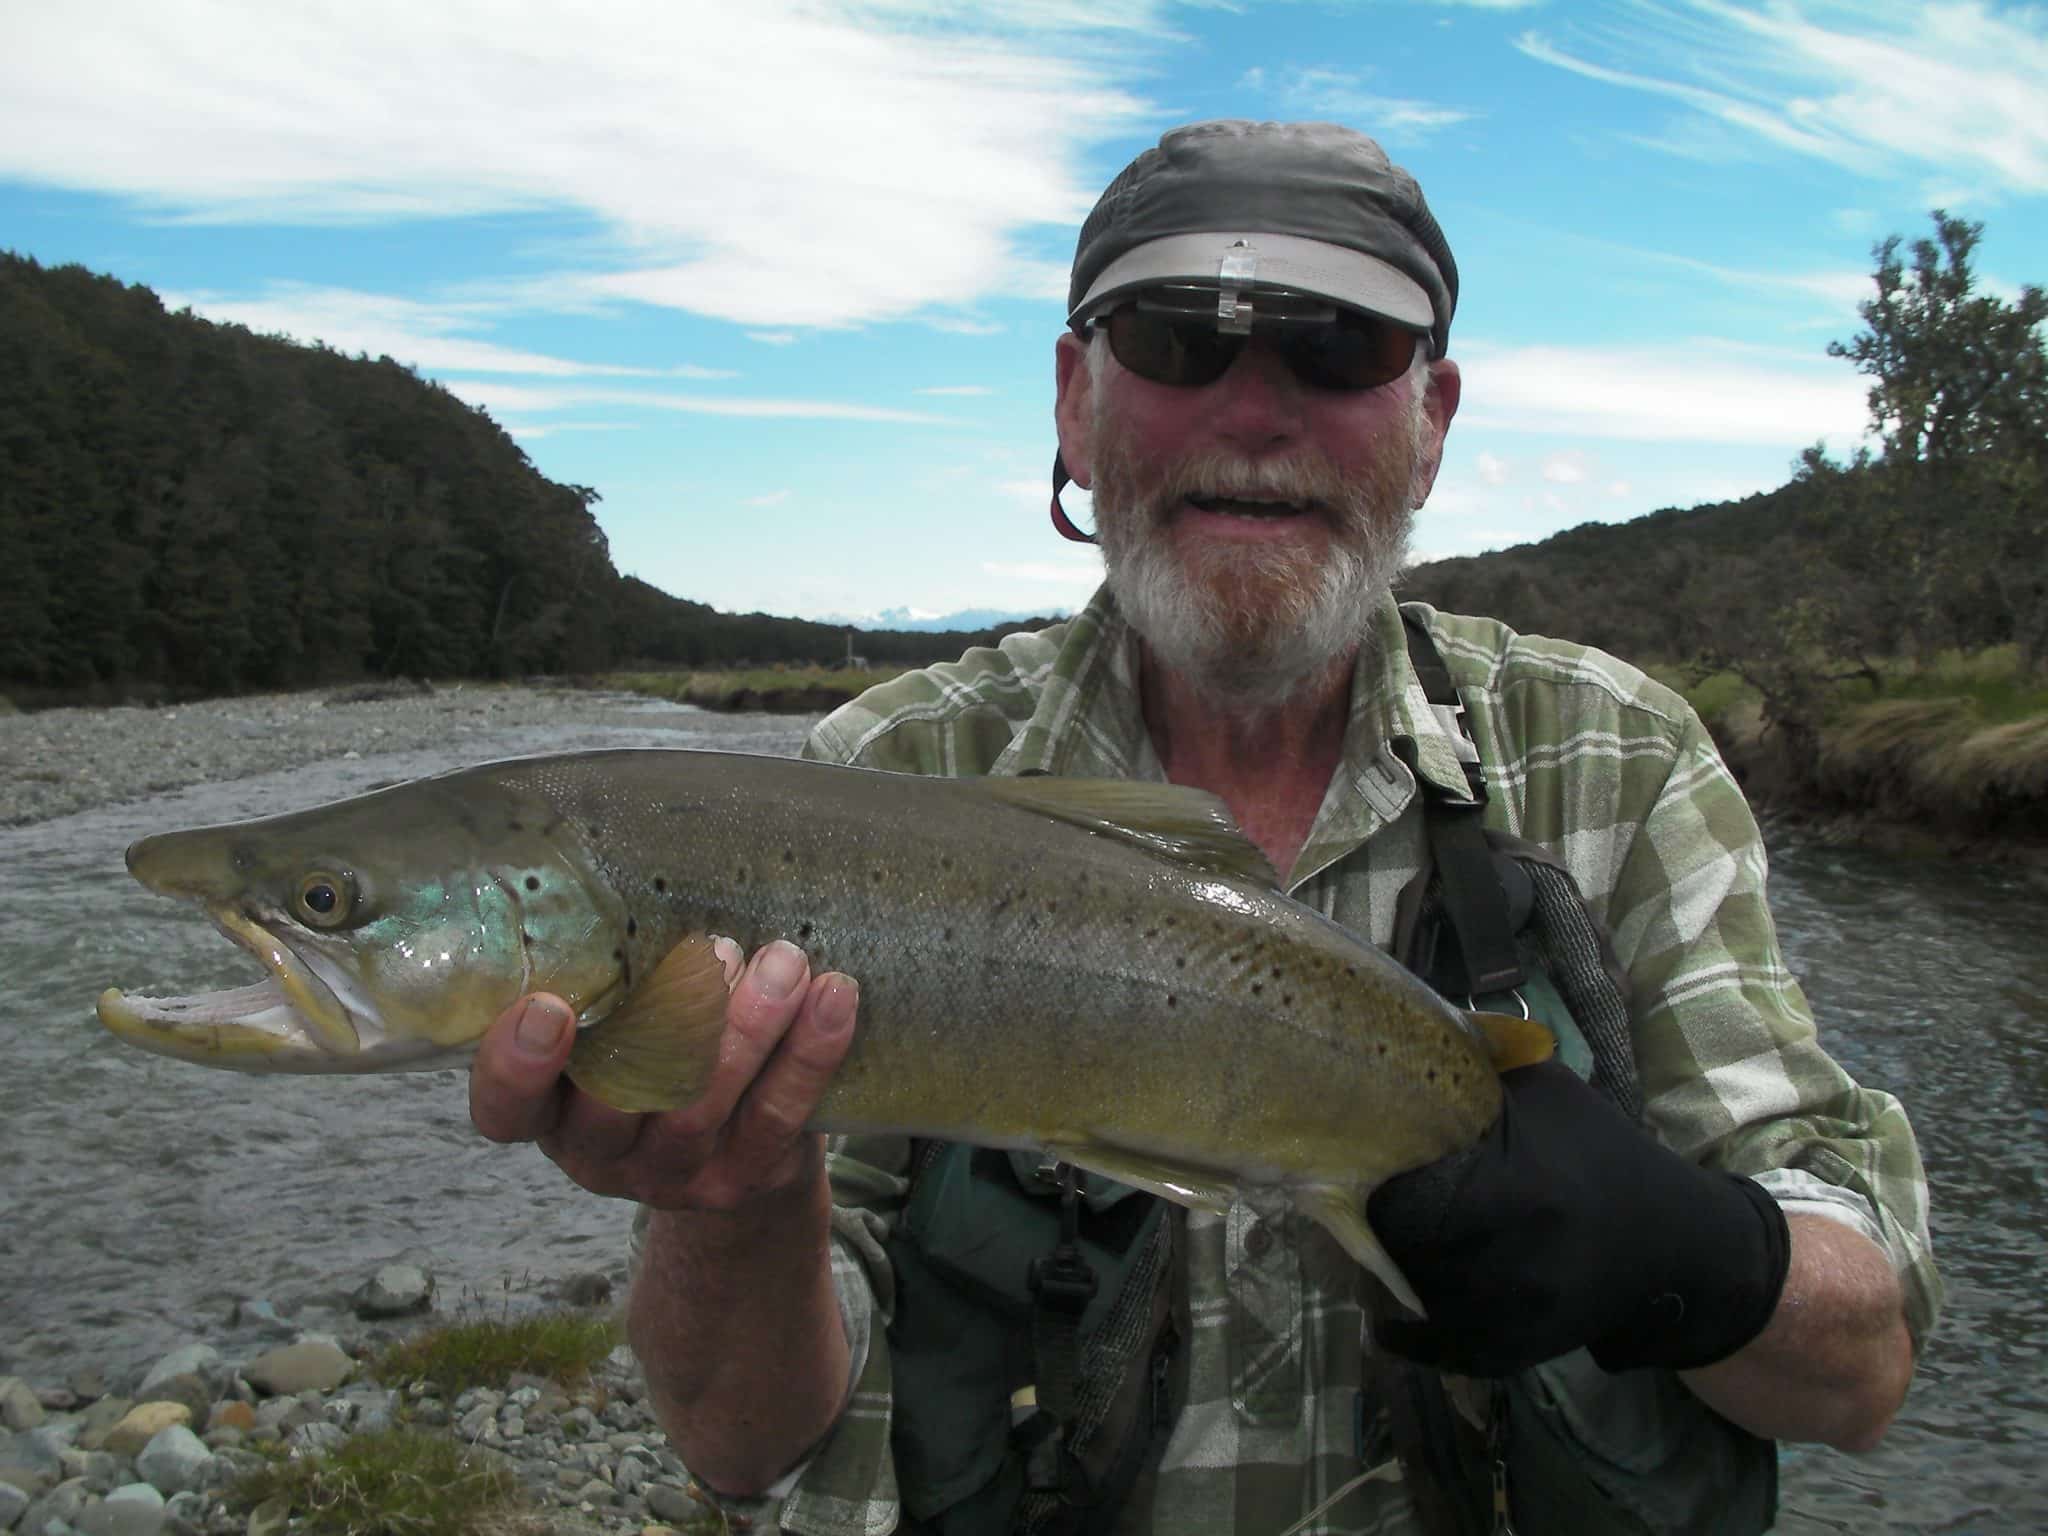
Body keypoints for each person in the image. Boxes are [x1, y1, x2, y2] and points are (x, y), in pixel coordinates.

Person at [468, 120, 1940, 1534]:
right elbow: (749, 1447)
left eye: (1338, 346)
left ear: (1430, 421)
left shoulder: (1614, 759)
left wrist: (1695, 1260)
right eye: (1178, 339)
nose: (1253, 408)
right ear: (1074, 403)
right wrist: (732, 1203)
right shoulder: (888, 777)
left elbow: (1863, 1373)